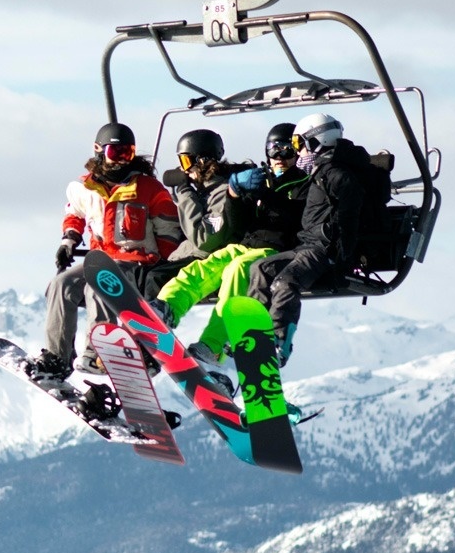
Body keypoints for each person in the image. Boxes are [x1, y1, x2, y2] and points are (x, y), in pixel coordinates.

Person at [148, 123, 310, 387]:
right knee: (204, 268)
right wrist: (236, 194)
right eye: (273, 150)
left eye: (286, 151)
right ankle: (166, 307)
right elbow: (235, 221)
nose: (279, 157)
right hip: (246, 243)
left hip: (277, 249)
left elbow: (296, 219)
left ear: (298, 151)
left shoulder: (304, 183)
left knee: (238, 270)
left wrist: (265, 195)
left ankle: (213, 346)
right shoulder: (262, 178)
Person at [36, 122, 182, 378]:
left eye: (128, 153)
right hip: (100, 258)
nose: (121, 161)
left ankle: (100, 352)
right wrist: (69, 239)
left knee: (99, 282)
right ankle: (57, 357)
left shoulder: (148, 189)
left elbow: (169, 231)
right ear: (99, 151)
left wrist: (159, 267)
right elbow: (75, 214)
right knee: (61, 284)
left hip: (136, 263)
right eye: (115, 153)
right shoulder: (85, 188)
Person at [248, 113, 373, 367]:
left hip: (324, 250)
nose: (298, 153)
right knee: (260, 268)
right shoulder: (322, 171)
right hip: (307, 244)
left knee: (285, 282)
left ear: (315, 142)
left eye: (298, 145)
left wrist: (342, 255)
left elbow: (350, 215)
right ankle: (253, 332)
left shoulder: (338, 174)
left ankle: (278, 340)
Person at [138, 128, 249, 301]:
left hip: (209, 259)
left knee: (156, 278)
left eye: (185, 161)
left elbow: (204, 239)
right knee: (140, 275)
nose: (183, 170)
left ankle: (154, 324)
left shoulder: (222, 193)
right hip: (189, 256)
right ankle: (131, 323)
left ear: (202, 161)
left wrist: (184, 190)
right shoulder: (204, 190)